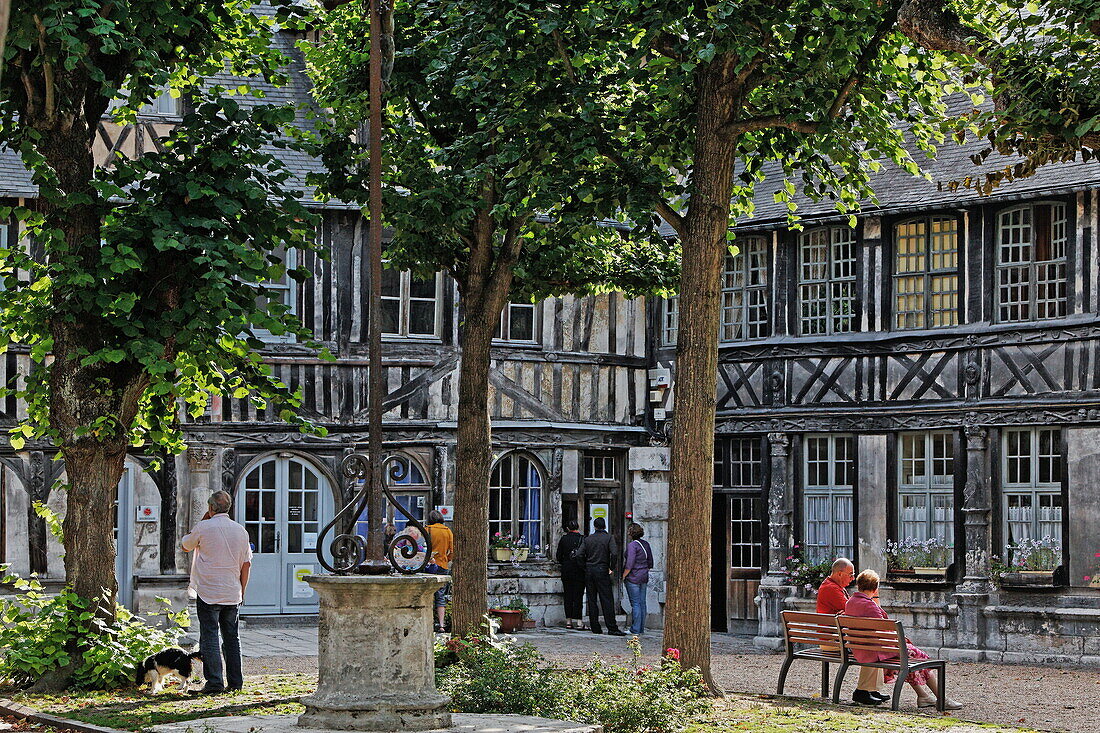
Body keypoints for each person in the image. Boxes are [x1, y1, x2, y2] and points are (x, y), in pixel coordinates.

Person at [844, 570, 962, 710]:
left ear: (858, 585)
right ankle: (942, 698)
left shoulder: (850, 603)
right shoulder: (870, 606)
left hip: (863, 649)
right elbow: (886, 630)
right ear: (875, 588)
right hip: (877, 650)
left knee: (909, 659)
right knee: (918, 658)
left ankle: (923, 696)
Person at [182, 490, 252, 695]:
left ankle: (214, 683)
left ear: (211, 508)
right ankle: (236, 682)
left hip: (208, 591)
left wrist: (204, 520)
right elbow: (246, 565)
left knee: (210, 636)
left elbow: (186, 545)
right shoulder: (241, 531)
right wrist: (242, 591)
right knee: (232, 637)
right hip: (232, 592)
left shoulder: (204, 527)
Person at [816, 558, 885, 706]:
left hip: (835, 637)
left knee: (871, 642)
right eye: (851, 574)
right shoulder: (831, 589)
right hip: (832, 640)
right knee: (869, 645)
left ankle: (871, 690)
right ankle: (862, 691)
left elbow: (848, 611)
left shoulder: (835, 586)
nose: (853, 578)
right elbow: (854, 610)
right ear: (840, 574)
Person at [576, 516, 624, 635]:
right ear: (605, 526)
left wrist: (584, 567)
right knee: (606, 599)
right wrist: (611, 567)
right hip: (602, 569)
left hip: (590, 569)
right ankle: (611, 627)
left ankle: (595, 627)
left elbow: (579, 554)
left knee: (592, 599)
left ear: (595, 526)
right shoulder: (608, 538)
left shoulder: (588, 539)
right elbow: (614, 553)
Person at [424, 509, 453, 633]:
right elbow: (452, 551)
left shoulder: (427, 530)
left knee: (427, 593)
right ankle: (441, 624)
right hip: (443, 565)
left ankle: (428, 622)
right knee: (440, 594)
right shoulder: (448, 531)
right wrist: (446, 559)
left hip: (429, 565)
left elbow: (422, 547)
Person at [622, 523, 654, 635]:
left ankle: (635, 629)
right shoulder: (646, 544)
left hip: (633, 577)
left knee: (635, 603)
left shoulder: (632, 546)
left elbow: (629, 564)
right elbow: (650, 562)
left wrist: (624, 575)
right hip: (643, 576)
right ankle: (640, 628)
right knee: (642, 603)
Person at [555, 520, 586, 629]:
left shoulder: (564, 539)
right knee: (578, 596)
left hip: (567, 570)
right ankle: (579, 621)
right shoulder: (582, 539)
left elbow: (558, 556)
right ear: (578, 527)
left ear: (568, 528)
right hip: (579, 570)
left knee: (568, 595)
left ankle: (568, 621)